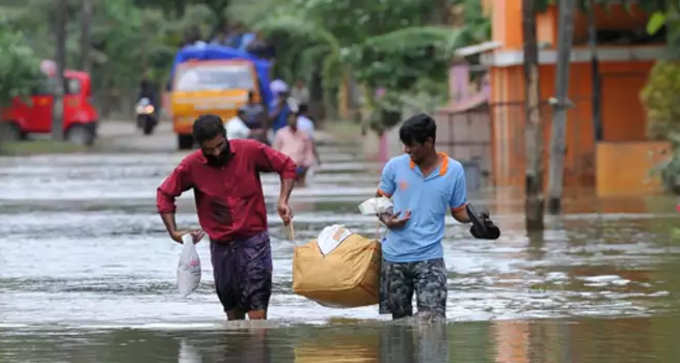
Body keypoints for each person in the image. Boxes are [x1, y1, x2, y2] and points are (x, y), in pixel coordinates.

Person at [156, 114, 297, 321]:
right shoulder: (192, 166)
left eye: (220, 145)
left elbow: (287, 166)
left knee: (257, 310)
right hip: (221, 247)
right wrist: (174, 232)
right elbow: (165, 194)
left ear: (225, 136)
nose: (216, 152)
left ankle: (259, 348)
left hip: (254, 242)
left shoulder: (249, 151)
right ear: (200, 146)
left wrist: (283, 200)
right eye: (209, 149)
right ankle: (234, 351)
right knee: (232, 313)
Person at [374, 113, 499, 320]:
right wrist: (386, 218)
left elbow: (457, 210)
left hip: (430, 258)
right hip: (394, 259)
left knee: (433, 320)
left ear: (429, 142)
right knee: (398, 327)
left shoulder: (454, 171)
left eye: (411, 145)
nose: (406, 150)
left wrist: (475, 218)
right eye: (404, 145)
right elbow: (378, 199)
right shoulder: (395, 167)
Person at [273, 112, 315, 186]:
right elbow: (275, 152)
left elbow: (309, 151)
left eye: (294, 118)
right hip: (285, 166)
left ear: (297, 120)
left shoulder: (304, 134)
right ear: (287, 120)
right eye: (290, 118)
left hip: (301, 166)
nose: (292, 120)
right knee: (287, 186)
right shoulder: (280, 134)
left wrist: (307, 164)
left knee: (301, 186)